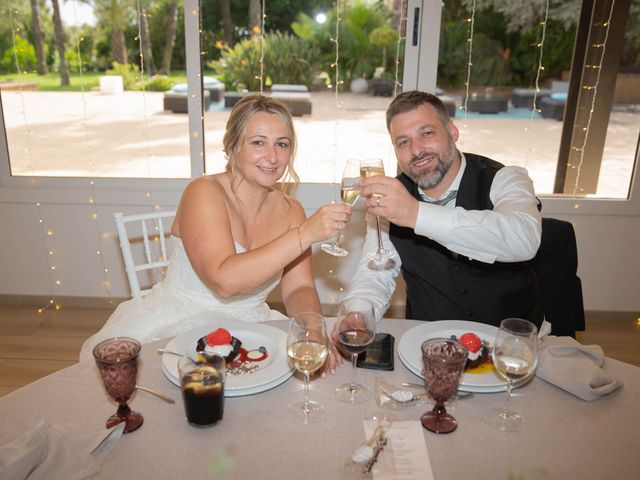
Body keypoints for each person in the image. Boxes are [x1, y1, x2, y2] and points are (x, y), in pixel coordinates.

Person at [80, 94, 351, 363]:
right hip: (178, 323)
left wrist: (313, 329)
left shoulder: (292, 211)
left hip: (251, 327)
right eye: (258, 142)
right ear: (232, 147)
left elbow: (299, 289)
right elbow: (224, 281)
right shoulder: (203, 192)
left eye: (282, 144)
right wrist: (307, 234)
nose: (272, 156)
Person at [342, 90, 544, 329]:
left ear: (452, 131)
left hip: (508, 344)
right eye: (403, 142)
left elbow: (523, 239)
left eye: (427, 133)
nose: (417, 150)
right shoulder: (391, 199)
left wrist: (415, 214)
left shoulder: (506, 178)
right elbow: (376, 273)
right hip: (428, 342)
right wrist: (357, 315)